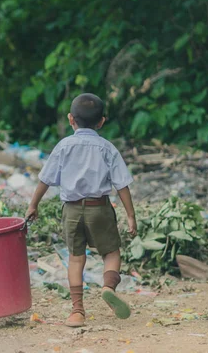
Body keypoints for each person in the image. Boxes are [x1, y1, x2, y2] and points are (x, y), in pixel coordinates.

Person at [25, 93, 137, 328]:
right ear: (101, 122)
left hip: (72, 211)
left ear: (70, 119)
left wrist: (33, 204)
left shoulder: (63, 146)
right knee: (111, 253)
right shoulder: (107, 148)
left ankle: (77, 311)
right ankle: (108, 287)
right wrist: (130, 216)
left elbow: (45, 179)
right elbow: (122, 184)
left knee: (76, 259)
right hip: (100, 209)